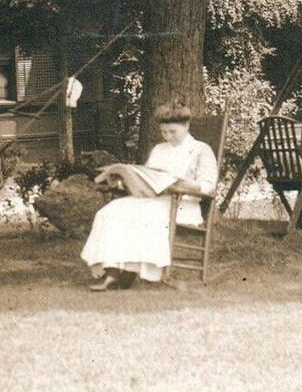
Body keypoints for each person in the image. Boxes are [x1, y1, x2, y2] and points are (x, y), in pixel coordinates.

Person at [81, 102, 219, 291]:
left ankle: (129, 270)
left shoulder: (201, 150)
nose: (168, 137)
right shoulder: (159, 149)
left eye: (173, 132)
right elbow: (148, 178)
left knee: (141, 215)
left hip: (182, 204)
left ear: (186, 126)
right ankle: (112, 272)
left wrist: (180, 184)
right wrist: (124, 180)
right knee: (110, 211)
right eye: (164, 132)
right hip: (154, 200)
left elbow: (208, 187)